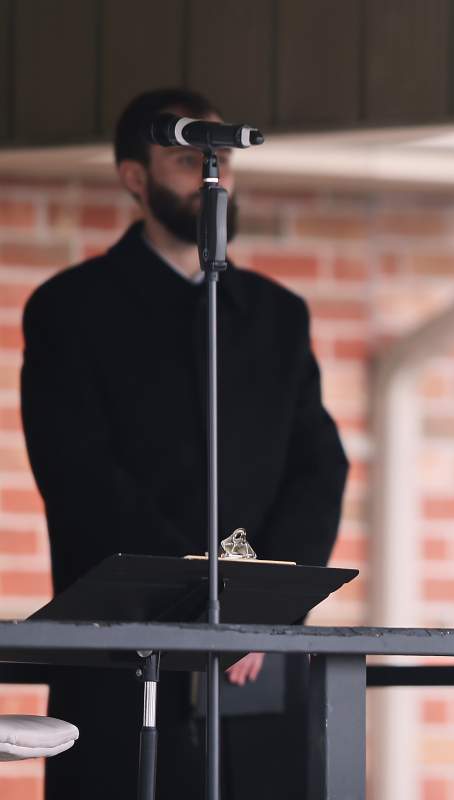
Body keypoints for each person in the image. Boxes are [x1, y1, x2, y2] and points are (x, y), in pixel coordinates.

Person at [20, 88, 348, 799]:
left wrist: (259, 605)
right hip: (122, 650)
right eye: (183, 158)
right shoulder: (71, 309)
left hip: (254, 662)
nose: (211, 175)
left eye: (220, 156)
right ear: (134, 178)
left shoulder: (277, 316)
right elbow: (81, 477)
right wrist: (207, 601)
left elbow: (319, 467)